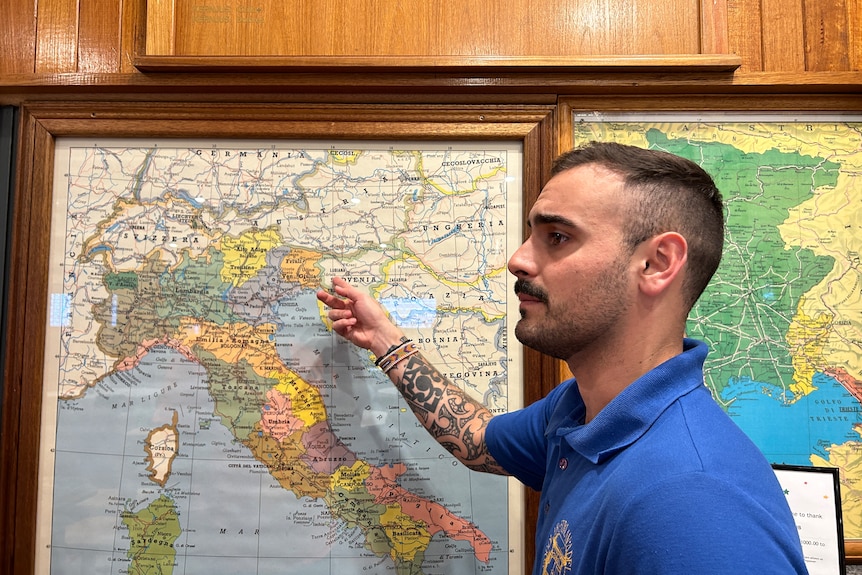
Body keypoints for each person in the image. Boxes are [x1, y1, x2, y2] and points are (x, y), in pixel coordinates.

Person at [316, 141, 808, 574]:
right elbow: (478, 440)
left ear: (656, 264)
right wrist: (385, 339)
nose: (518, 259)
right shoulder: (577, 411)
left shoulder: (694, 504)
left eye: (557, 237)